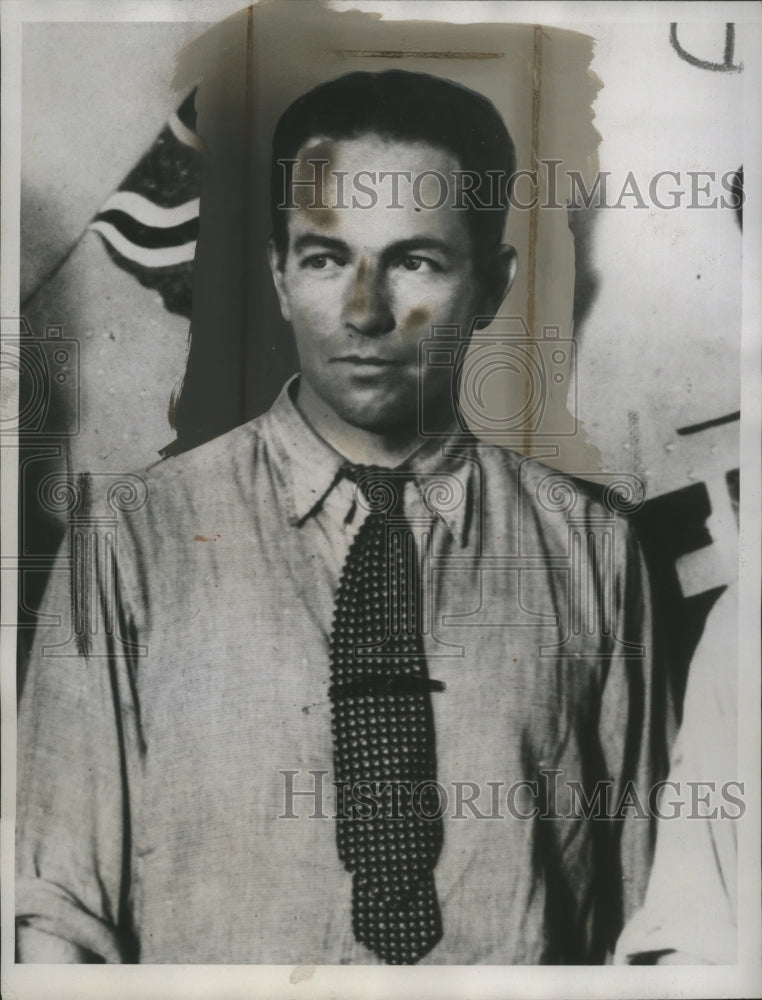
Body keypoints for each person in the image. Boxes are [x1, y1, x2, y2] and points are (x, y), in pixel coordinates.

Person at [16, 70, 658, 964]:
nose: (364, 311)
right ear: (279, 275)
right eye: (325, 258)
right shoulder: (128, 543)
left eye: (415, 260)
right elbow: (53, 918)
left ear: (493, 285)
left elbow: (654, 918)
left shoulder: (593, 549)